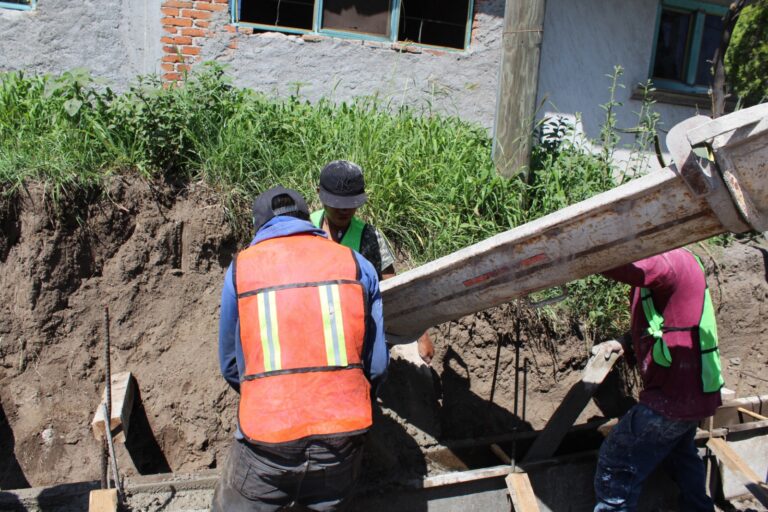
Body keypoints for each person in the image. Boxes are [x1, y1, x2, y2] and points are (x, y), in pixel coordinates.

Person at [213, 186, 389, 511]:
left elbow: (230, 365)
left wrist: (267, 397)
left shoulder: (241, 269)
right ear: (307, 219)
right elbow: (377, 365)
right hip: (342, 440)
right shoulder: (357, 264)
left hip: (266, 444)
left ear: (259, 226)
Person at [591, 248, 724, 512]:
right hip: (693, 390)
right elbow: (667, 322)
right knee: (680, 454)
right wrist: (624, 343)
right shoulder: (679, 262)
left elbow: (626, 268)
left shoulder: (669, 259)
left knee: (616, 461)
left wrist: (579, 253)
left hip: (674, 394)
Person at [311, 160, 435, 364]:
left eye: (351, 205)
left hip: (352, 336)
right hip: (311, 330)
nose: (344, 211)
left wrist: (420, 335)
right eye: (338, 205)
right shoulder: (304, 226)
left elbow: (393, 287)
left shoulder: (369, 237)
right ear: (319, 194)